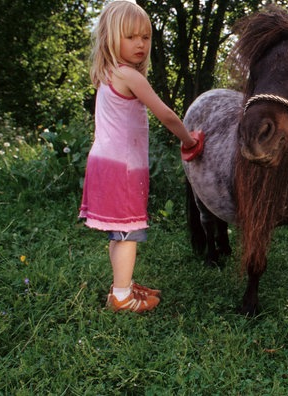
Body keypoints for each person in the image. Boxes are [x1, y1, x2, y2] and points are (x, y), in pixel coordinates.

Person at [79, 1, 204, 313]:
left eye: (145, 37)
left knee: (118, 230)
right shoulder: (130, 77)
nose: (140, 44)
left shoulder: (107, 73)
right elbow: (166, 115)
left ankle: (121, 285)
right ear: (110, 38)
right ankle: (121, 298)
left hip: (107, 162)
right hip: (121, 167)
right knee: (127, 231)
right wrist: (189, 139)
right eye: (131, 37)